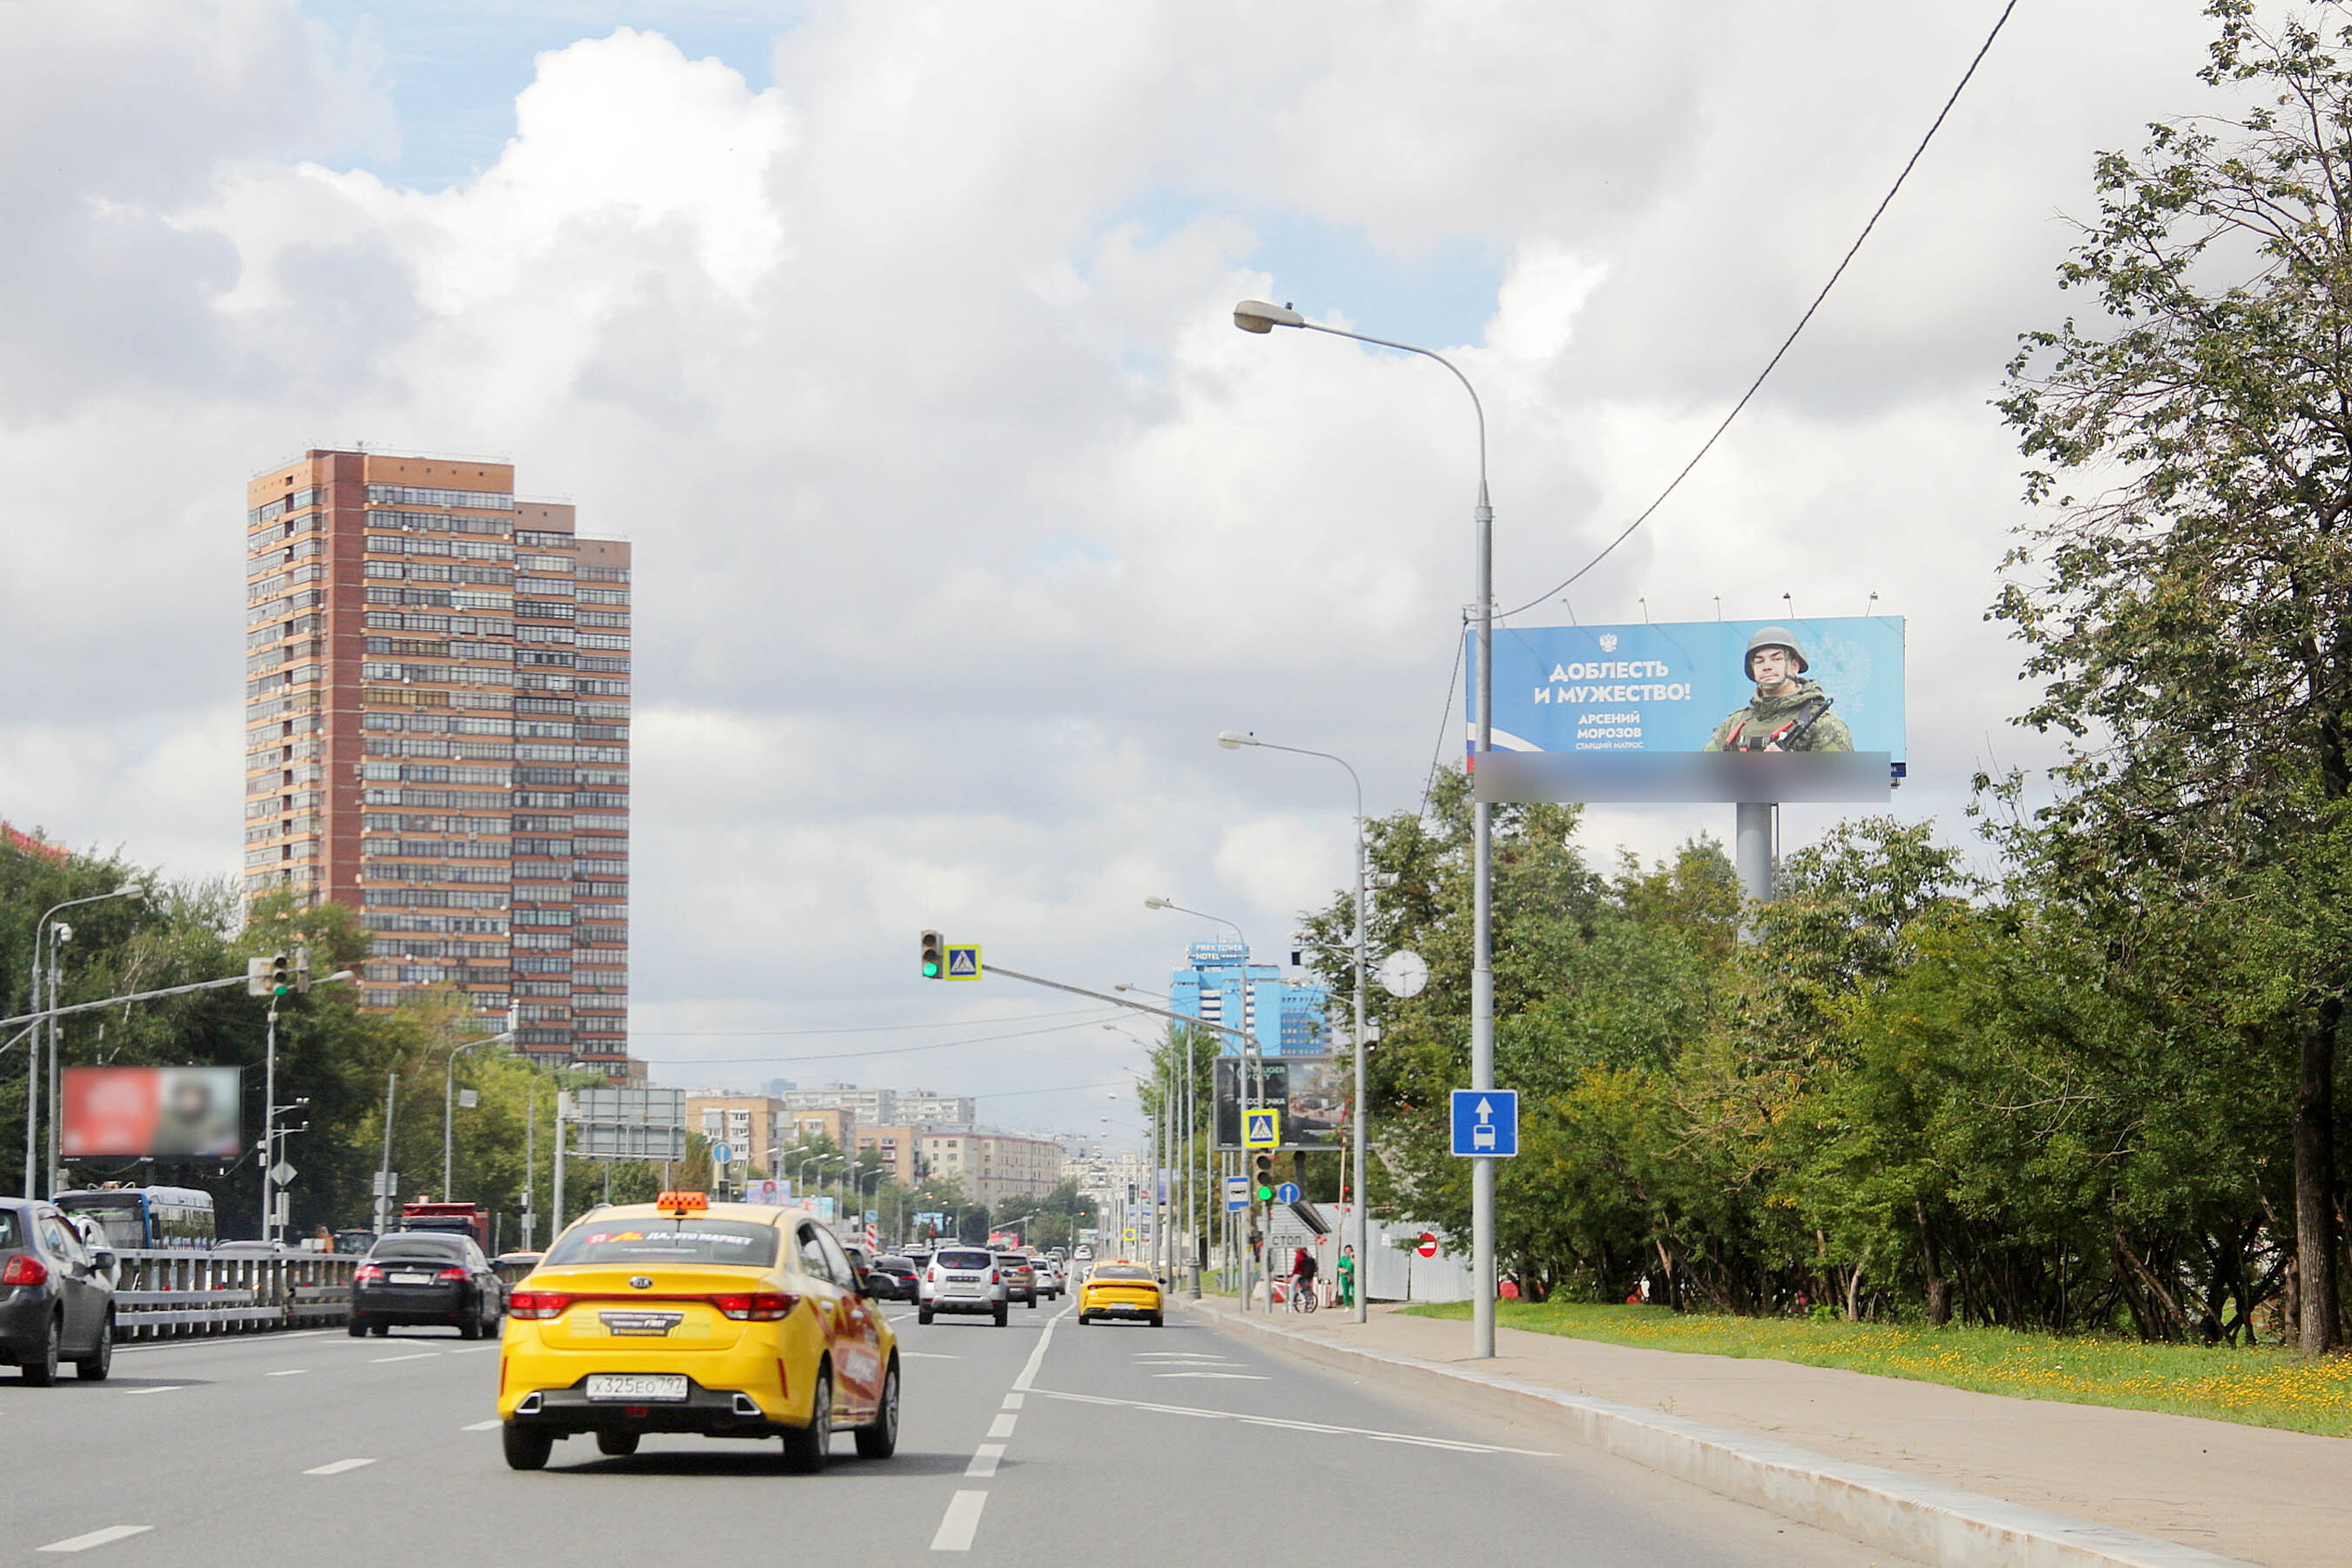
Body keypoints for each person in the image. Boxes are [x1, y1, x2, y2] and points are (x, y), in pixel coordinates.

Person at [1705, 627, 1854, 753]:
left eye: (1776, 659)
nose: (1767, 666)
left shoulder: (1823, 724)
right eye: (1759, 661)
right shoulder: (1734, 724)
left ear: (1794, 666)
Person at [1336, 1244, 1356, 1309]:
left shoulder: (1354, 1258)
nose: (1348, 1252)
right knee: (1345, 1291)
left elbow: (1355, 1264)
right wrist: (1342, 1270)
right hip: (1345, 1276)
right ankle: (1347, 1305)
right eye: (1347, 1250)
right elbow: (1338, 1267)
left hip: (1352, 1275)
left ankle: (1356, 1304)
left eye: (1350, 1250)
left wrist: (1351, 1257)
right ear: (1345, 1251)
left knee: (1354, 1290)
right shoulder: (1343, 1258)